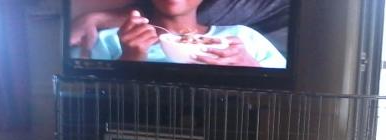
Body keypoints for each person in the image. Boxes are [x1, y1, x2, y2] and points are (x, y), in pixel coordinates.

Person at [71, 0, 286, 68]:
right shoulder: (108, 41)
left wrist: (253, 71)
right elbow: (83, 110)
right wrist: (129, 61)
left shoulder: (243, 38)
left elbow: (291, 105)